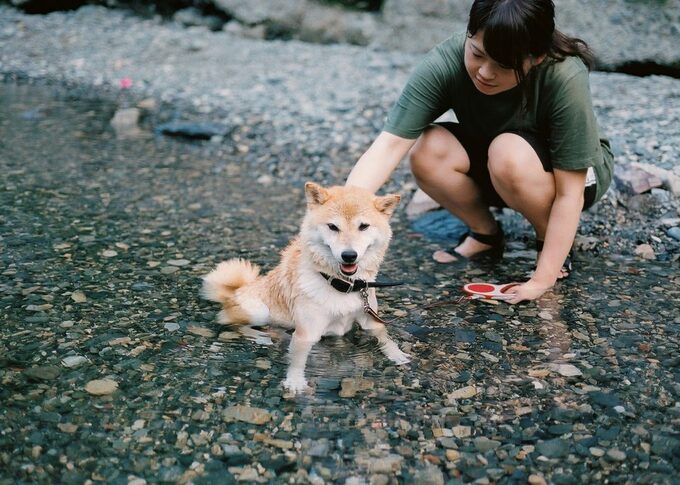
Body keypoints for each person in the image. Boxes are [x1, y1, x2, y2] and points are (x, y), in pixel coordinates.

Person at [345, 0, 614, 304]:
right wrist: (340, 220)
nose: (485, 72)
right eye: (477, 54)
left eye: (504, 65)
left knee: (508, 152)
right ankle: (485, 234)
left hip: (567, 177)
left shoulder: (563, 74)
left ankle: (549, 243)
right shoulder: (447, 60)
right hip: (496, 164)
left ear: (536, 58)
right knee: (428, 148)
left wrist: (542, 280)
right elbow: (390, 144)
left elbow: (570, 193)